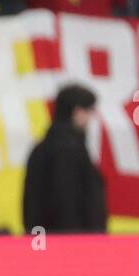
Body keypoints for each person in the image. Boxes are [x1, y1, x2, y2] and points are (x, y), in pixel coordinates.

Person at [22, 83, 107, 234]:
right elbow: (67, 203)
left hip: (43, 244)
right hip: (73, 246)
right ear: (78, 112)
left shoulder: (40, 149)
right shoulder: (71, 150)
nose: (89, 120)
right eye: (89, 112)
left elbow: (30, 207)